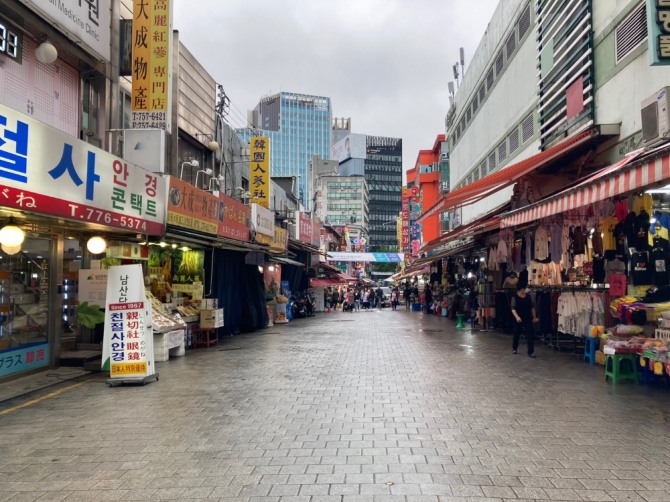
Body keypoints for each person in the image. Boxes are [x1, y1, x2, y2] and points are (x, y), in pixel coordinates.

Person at [510, 284, 537, 358]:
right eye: (523, 289)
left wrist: (534, 317)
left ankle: (531, 351)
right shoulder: (514, 297)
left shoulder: (528, 297)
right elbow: (513, 308)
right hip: (518, 318)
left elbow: (532, 307)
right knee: (516, 333)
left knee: (530, 333)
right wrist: (517, 317)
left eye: (524, 288)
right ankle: (514, 348)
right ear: (519, 289)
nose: (524, 290)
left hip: (528, 317)